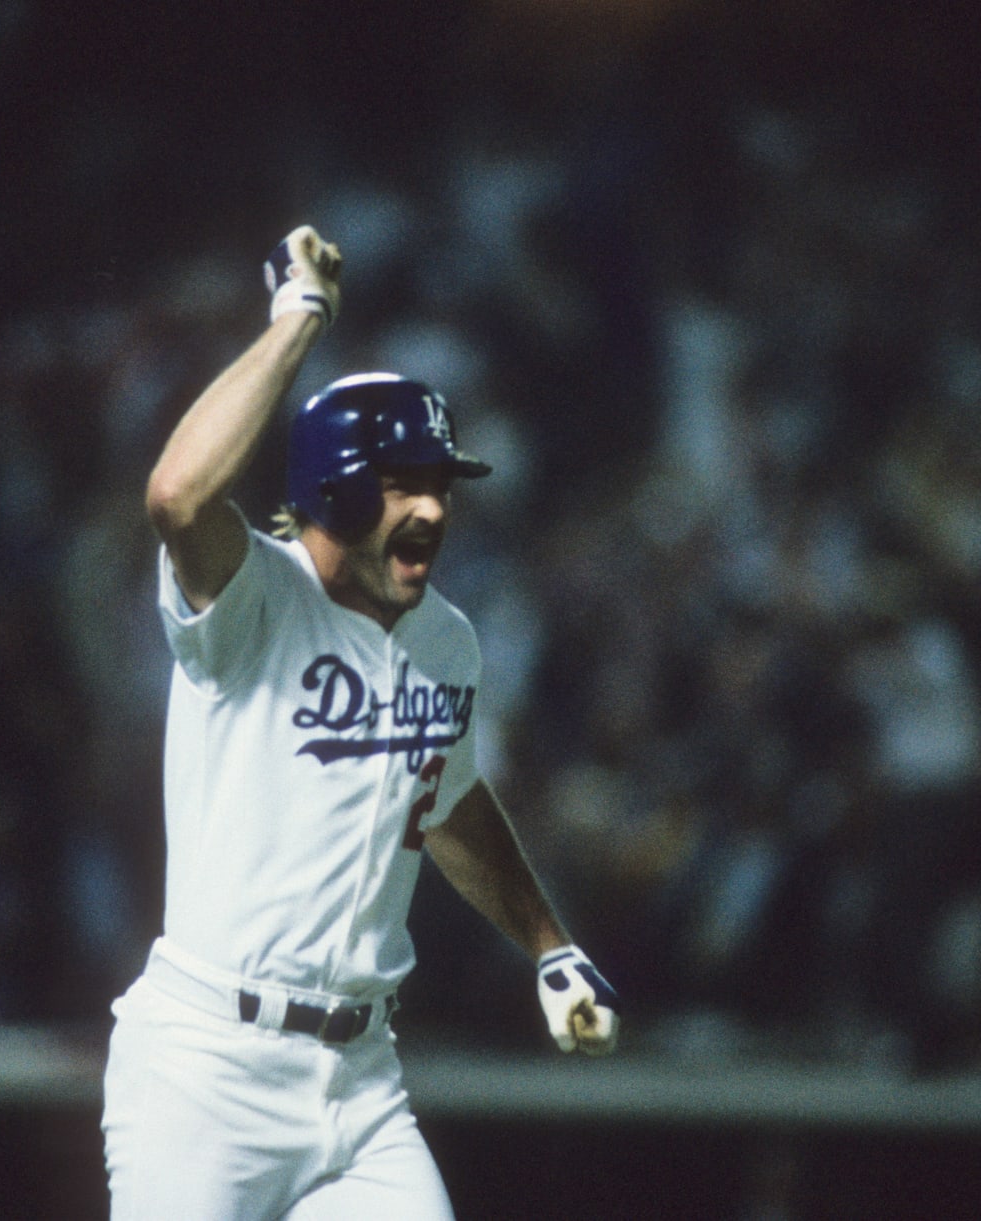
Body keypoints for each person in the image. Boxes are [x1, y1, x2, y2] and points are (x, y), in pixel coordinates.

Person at [101, 225, 620, 1219]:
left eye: (440, 485)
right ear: (333, 488)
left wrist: (550, 945)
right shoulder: (254, 599)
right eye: (403, 483)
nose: (433, 508)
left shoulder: (449, 640)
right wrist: (298, 319)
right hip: (208, 1070)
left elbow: (447, 800)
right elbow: (176, 495)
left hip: (362, 1079)